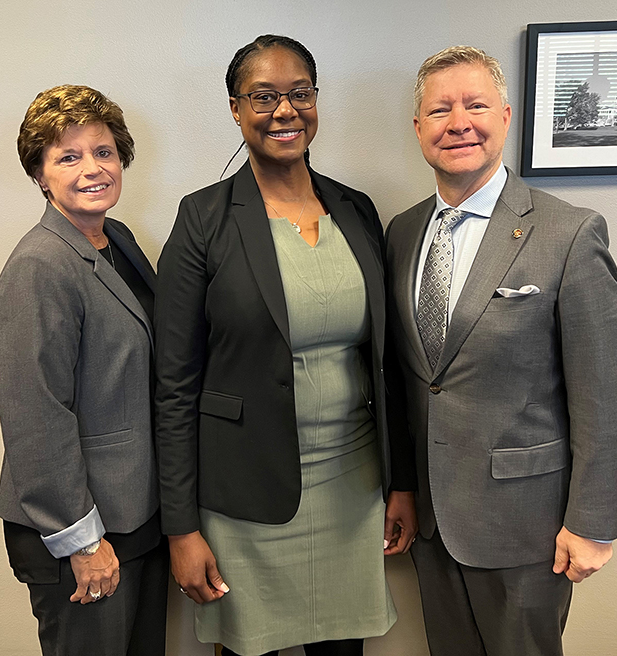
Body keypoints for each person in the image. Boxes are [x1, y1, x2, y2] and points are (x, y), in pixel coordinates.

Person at [154, 35, 417, 656]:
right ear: (235, 108)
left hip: (353, 487)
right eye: (264, 96)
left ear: (316, 100)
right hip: (245, 497)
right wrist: (181, 528)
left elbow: (386, 365)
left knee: (342, 649)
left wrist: (400, 481)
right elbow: (173, 386)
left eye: (300, 93)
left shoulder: (356, 209)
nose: (284, 111)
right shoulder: (203, 219)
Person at [384, 46, 617, 655]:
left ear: (505, 115)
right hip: (435, 525)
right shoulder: (401, 231)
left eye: (474, 105)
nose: (457, 122)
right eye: (439, 109)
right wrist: (405, 489)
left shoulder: (568, 232)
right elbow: (408, 378)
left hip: (530, 524)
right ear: (419, 128)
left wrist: (593, 522)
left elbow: (604, 392)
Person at [0, 84, 167, 656]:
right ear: (40, 175)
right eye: (68, 156)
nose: (93, 168)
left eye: (104, 151)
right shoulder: (39, 265)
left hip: (134, 514)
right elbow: (36, 416)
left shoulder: (116, 239)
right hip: (80, 529)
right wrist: (81, 541)